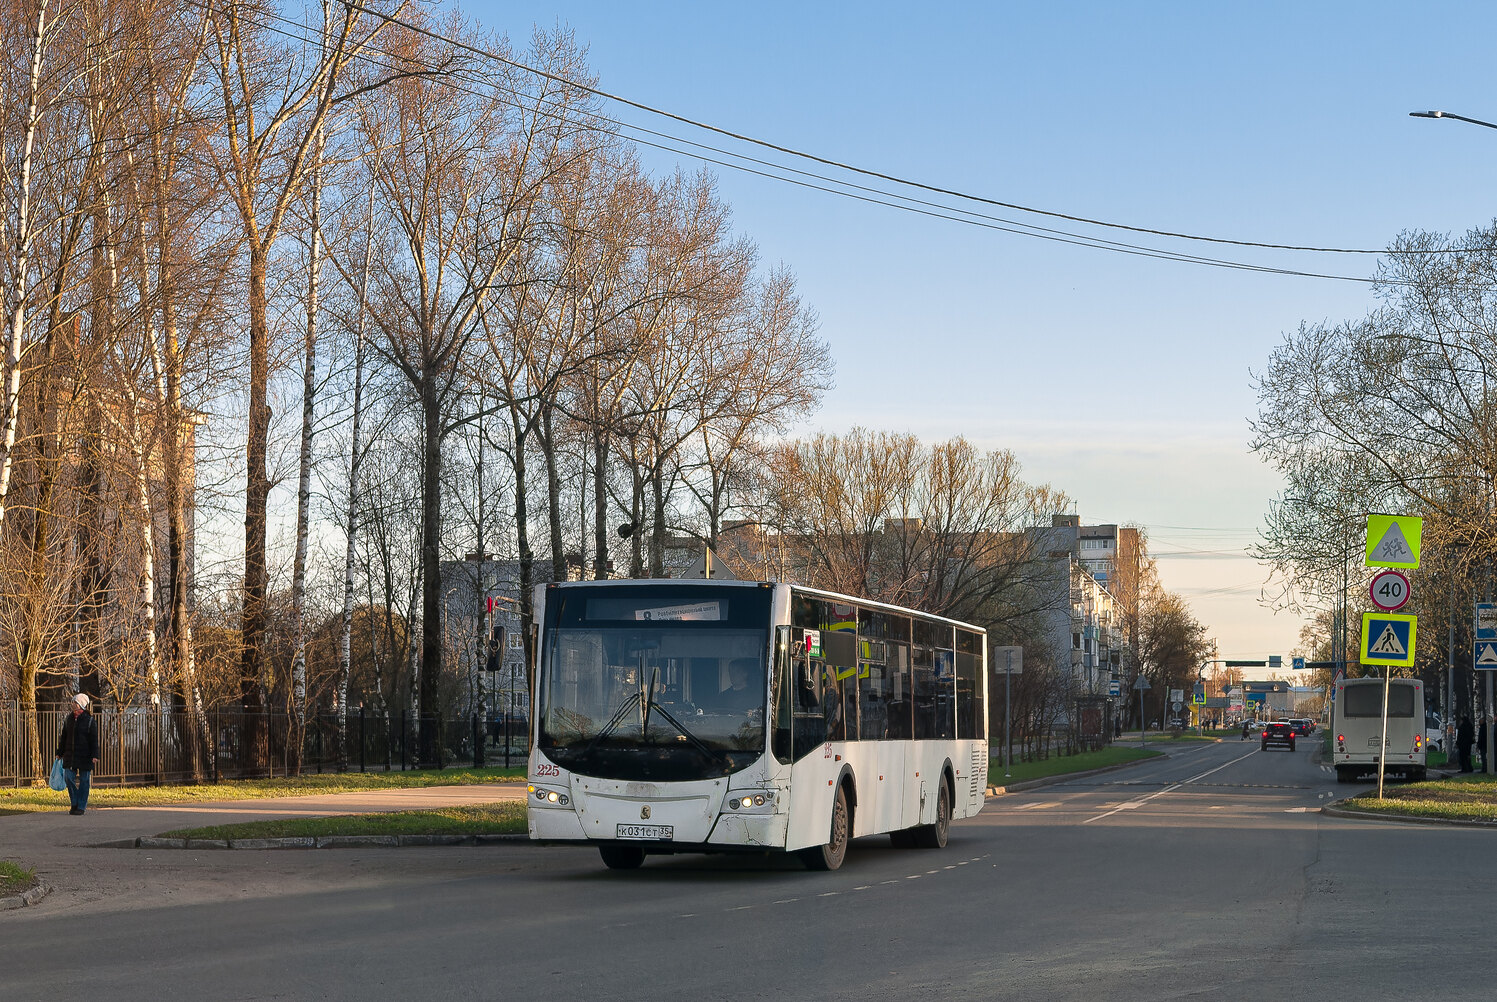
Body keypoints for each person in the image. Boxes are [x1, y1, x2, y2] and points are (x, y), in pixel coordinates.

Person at [55, 691, 100, 815]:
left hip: (85, 756)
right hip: (70, 755)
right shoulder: (69, 719)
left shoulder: (89, 720)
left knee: (85, 781)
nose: (72, 704)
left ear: (80, 705)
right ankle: (74, 802)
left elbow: (94, 739)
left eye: (75, 702)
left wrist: (95, 755)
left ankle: (81, 806)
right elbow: (64, 737)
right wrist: (60, 752)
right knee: (68, 778)